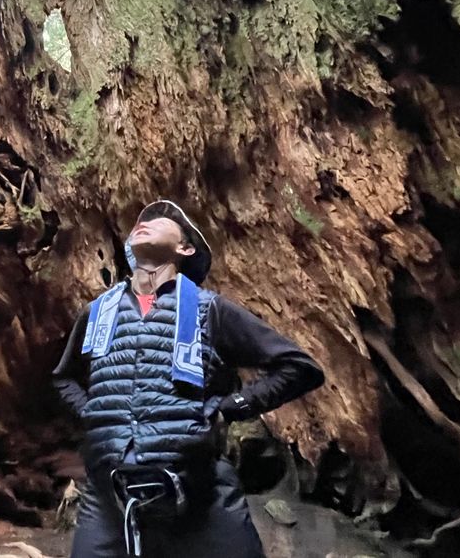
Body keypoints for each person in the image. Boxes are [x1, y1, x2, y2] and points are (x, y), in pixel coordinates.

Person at [53, 199, 324, 558]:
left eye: (161, 220)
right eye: (140, 222)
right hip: (109, 499)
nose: (144, 223)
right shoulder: (98, 312)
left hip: (199, 490)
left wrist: (230, 407)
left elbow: (299, 367)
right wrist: (93, 413)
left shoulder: (208, 309)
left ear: (185, 248)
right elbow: (64, 378)